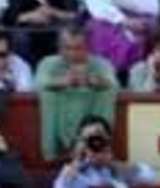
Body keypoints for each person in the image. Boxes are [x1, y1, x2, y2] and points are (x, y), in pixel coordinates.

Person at [34, 22, 119, 157]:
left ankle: (95, 144)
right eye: (66, 48)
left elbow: (113, 83)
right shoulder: (48, 63)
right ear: (59, 47)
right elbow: (39, 83)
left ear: (89, 47)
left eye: (78, 48)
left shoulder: (101, 64)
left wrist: (95, 82)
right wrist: (62, 82)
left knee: (108, 91)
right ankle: (55, 148)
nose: (72, 53)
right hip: (59, 125)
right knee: (47, 92)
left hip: (92, 121)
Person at [51, 114, 156, 188]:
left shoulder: (117, 169)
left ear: (108, 140)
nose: (94, 142)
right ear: (80, 141)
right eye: (88, 139)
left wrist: (112, 164)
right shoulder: (72, 170)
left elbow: (148, 176)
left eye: (98, 137)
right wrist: (78, 160)